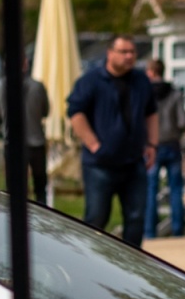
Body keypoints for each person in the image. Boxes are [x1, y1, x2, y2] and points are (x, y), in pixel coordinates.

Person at [66, 35, 157, 246]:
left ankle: (132, 269)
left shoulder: (141, 80)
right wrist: (94, 144)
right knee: (96, 219)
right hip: (100, 165)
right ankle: (88, 264)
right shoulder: (90, 81)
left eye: (132, 52)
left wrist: (152, 144)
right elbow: (76, 113)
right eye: (124, 52)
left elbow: (151, 113)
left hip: (133, 162)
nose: (129, 56)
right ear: (110, 53)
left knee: (136, 219)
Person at [144, 58, 185, 238]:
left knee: (151, 190)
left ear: (150, 72)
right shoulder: (174, 93)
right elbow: (182, 121)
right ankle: (178, 230)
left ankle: (149, 232)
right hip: (172, 144)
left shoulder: (145, 93)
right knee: (176, 189)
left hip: (151, 146)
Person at [0, 61, 50, 203]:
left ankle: (18, 221)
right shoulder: (37, 86)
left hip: (12, 143)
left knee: (15, 190)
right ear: (25, 65)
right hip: (36, 142)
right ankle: (41, 218)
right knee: (40, 188)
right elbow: (45, 111)